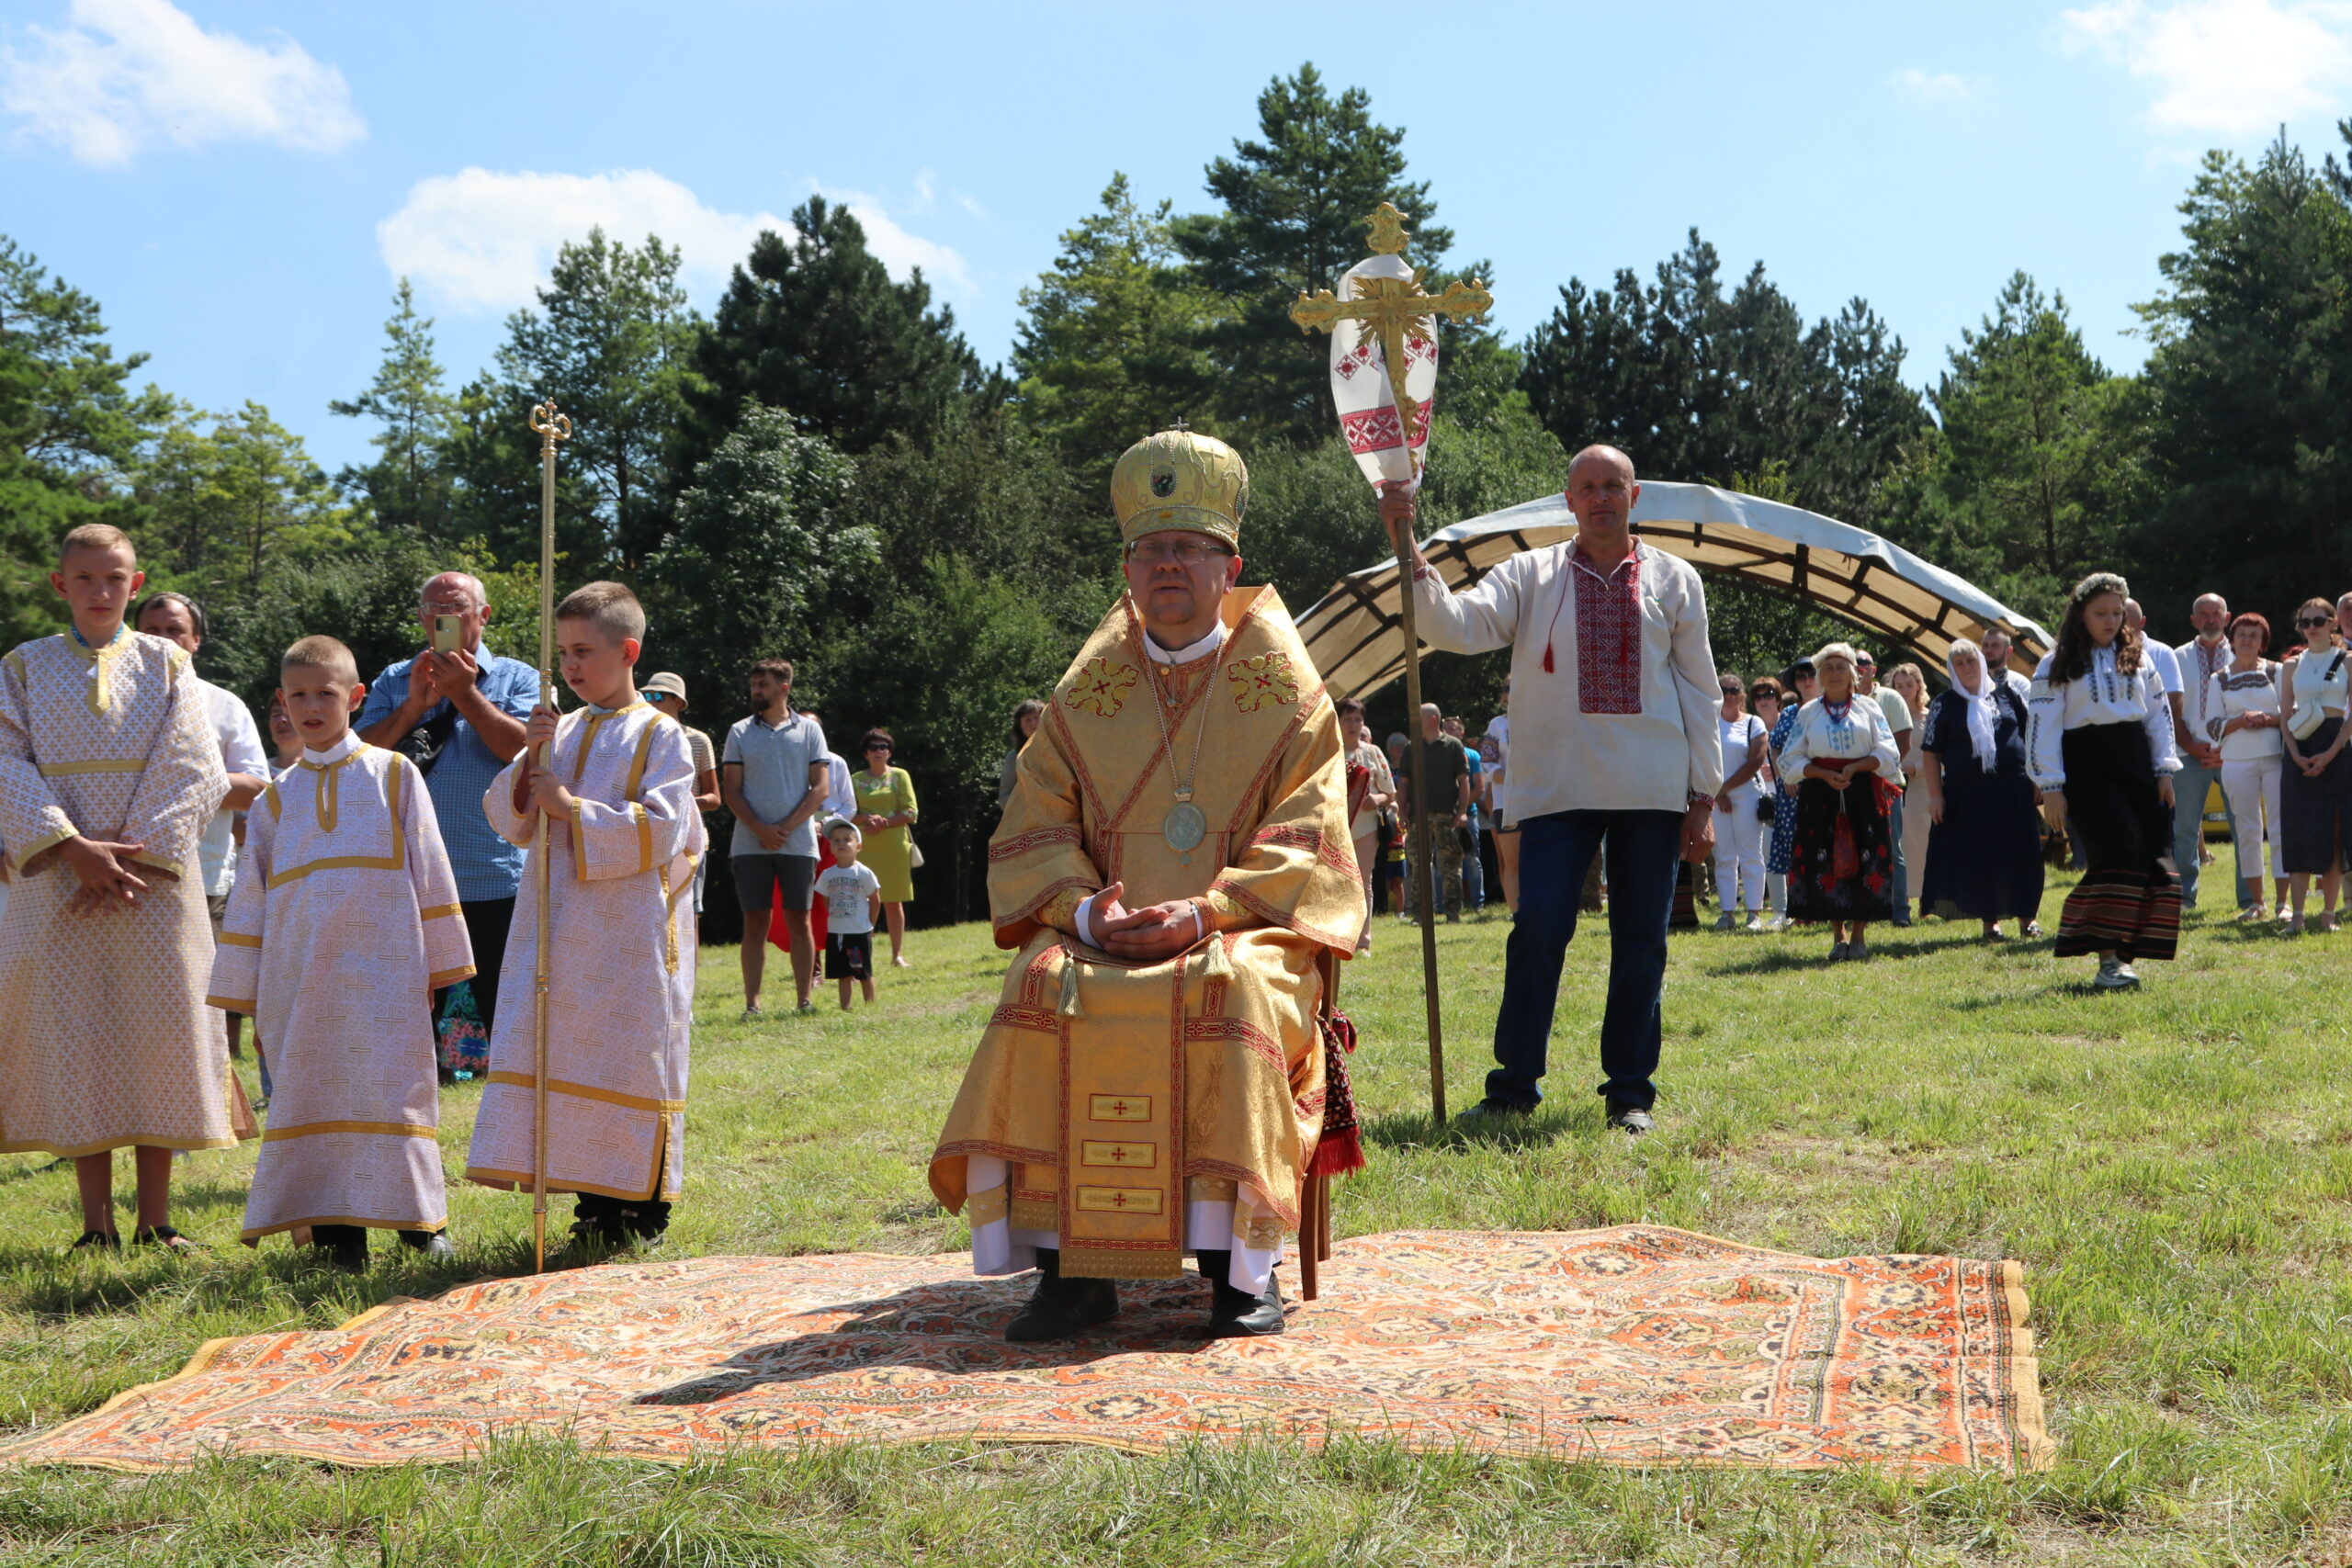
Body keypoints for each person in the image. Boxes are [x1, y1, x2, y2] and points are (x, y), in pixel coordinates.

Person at [929, 425, 1362, 1342]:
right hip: (1104, 931)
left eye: (1189, 550)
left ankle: (1240, 1269)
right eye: (1150, 550)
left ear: (1228, 564)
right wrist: (1085, 909)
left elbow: (1310, 835)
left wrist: (1204, 912)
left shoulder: (1287, 692)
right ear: (1127, 569)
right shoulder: (1087, 695)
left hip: (1247, 931)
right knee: (1041, 980)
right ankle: (1070, 1273)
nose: (1168, 565)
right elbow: (1035, 824)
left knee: (1229, 986)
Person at [1386, 444, 1721, 1134]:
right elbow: (1458, 625)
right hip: (1554, 789)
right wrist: (1408, 548)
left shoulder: (1675, 580)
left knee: (1641, 940)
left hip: (1650, 788)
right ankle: (1513, 1086)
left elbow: (1700, 690)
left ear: (1636, 497)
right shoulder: (1530, 574)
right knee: (1537, 927)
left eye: (1612, 485)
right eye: (1586, 487)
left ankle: (1630, 1093)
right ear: (1568, 500)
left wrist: (1704, 794)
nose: (1600, 497)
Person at [207, 637, 472, 1270]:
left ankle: (418, 1225)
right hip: (301, 983)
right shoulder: (273, 799)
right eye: (297, 695)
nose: (311, 706)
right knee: (315, 1090)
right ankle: (336, 1231)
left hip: (388, 972)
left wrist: (439, 965)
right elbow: (252, 900)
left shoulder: (394, 774)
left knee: (394, 1090)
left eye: (325, 692)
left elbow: (431, 869)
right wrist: (249, 987)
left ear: (354, 697)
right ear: (281, 702)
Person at [0, 524, 232, 1252]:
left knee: (159, 1040)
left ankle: (155, 1218)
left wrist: (127, 858)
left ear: (135, 584)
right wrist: (72, 848)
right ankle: (95, 1223)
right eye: (86, 578)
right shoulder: (22, 667)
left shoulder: (169, 663)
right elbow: (3, 760)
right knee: (79, 1041)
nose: (102, 591)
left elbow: (196, 764)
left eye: (116, 578)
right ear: (59, 584)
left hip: (153, 890)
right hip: (55, 886)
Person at [465, 581, 705, 1251]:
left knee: (630, 1058)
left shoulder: (664, 736)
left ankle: (640, 1210)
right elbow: (506, 815)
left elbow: (667, 827)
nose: (570, 666)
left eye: (583, 651)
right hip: (560, 929)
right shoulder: (558, 728)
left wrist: (573, 808)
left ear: (627, 651)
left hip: (630, 933)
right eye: (563, 652)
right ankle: (591, 1205)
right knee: (569, 1054)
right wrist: (531, 761)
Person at [356, 572, 536, 1045]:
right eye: (432, 610)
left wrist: (465, 695)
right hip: (409, 875)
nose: (443, 618)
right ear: (419, 618)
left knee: (503, 1002)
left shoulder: (521, 678)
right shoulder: (394, 681)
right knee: (415, 1002)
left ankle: (502, 1079)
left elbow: (528, 752)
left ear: (483, 615)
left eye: (454, 607)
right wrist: (412, 708)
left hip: (495, 870)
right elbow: (355, 757)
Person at [132, 595, 269, 1066]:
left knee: (195, 1009)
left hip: (203, 880)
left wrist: (185, 779)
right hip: (117, 878)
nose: (161, 640)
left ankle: (197, 1123)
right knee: (127, 1010)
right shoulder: (104, 709)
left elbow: (257, 790)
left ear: (195, 641)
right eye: (150, 630)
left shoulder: (223, 706)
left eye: (173, 630)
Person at [2029, 572, 2182, 989]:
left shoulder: (2138, 656)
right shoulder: (2056, 661)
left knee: (2149, 853)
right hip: (2086, 767)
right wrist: (2052, 786)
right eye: (2101, 613)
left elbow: (2158, 716)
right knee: (2118, 849)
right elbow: (2043, 725)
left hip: (2135, 763)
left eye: (2117, 612)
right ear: (2081, 614)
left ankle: (2125, 956)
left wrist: (2164, 770)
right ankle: (2108, 959)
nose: (2111, 620)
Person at [1781, 643, 1903, 960]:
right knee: (1826, 860)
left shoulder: (1868, 708)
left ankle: (1860, 936)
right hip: (1820, 795)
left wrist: (1858, 766)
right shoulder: (1809, 712)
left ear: (1852, 674)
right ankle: (1839, 935)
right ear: (1820, 676)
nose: (1834, 674)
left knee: (1865, 857)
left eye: (1840, 668)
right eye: (1828, 668)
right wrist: (1819, 773)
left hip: (1863, 790)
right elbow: (1789, 759)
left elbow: (1889, 752)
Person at [720, 659, 829, 1016]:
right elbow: (731, 790)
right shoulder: (738, 732)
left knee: (800, 919)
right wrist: (761, 829)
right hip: (749, 845)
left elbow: (821, 788)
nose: (755, 690)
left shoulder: (810, 731)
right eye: (753, 684)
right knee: (755, 922)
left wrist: (785, 828)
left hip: (797, 844)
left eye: (762, 684)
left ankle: (804, 1001)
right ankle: (752, 1004)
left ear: (784, 688)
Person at [1918, 639, 2043, 939]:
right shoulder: (1943, 704)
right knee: (1983, 859)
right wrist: (1936, 796)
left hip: (2014, 790)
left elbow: (2032, 736)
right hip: (1967, 796)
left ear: (1982, 663)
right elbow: (1931, 753)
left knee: (2023, 855)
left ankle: (2028, 919)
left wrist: (2039, 779)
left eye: (1971, 661)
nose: (1967, 668)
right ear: (1951, 669)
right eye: (1959, 663)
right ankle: (1991, 923)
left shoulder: (2009, 695)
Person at [2204, 613, 2290, 923]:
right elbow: (2212, 726)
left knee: (2280, 827)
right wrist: (2239, 721)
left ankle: (2283, 903)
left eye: (2254, 635)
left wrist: (2267, 719)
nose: (2247, 640)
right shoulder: (2219, 678)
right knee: (2247, 830)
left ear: (2262, 641)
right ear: (2232, 637)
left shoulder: (2277, 671)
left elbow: (2290, 715)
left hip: (2274, 758)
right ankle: (2257, 902)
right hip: (2237, 761)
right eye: (2242, 634)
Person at [2279, 594, 2350, 932]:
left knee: (2332, 831)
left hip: (2335, 746)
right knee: (2297, 830)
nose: (2311, 628)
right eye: (2304, 622)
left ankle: (2328, 915)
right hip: (2300, 747)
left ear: (2332, 623)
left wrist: (2331, 752)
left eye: (2318, 621)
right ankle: (2296, 916)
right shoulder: (2292, 665)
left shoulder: (2348, 661)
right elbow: (2284, 717)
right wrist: (2294, 754)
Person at [2173, 593, 2247, 913]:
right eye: (2202, 614)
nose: (2210, 620)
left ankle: (2250, 898)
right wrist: (2191, 745)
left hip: (2235, 753)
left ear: (2227, 617)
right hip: (2189, 753)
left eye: (2216, 613)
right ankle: (2184, 898)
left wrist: (2224, 747)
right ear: (2193, 620)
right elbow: (2170, 711)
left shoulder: (2244, 654)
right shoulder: (2177, 657)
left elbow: (2252, 707)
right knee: (2185, 830)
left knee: (2244, 827)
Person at [642, 671, 721, 916]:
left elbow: (714, 798)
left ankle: (692, 957)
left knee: (689, 912)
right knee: (651, 911)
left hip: (689, 839)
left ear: (678, 702)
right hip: (649, 837)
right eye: (646, 696)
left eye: (658, 696)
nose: (650, 701)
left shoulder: (698, 740)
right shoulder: (638, 739)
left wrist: (681, 802)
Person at [1854, 650, 1915, 927]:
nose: (1859, 667)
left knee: (1892, 849)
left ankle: (1900, 912)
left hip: (1887, 785)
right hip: (1853, 786)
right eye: (1853, 663)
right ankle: (1865, 909)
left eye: (1864, 663)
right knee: (1857, 847)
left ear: (1874, 670)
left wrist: (1881, 773)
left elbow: (1904, 743)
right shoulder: (1843, 701)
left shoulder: (1890, 698)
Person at [851, 728, 919, 966]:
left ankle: (896, 955)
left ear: (889, 752)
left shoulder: (900, 776)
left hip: (894, 846)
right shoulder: (856, 779)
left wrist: (886, 822)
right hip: (865, 846)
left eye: (883, 747)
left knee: (893, 901)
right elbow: (849, 812)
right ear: (865, 753)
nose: (878, 751)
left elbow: (911, 811)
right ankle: (862, 953)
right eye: (873, 747)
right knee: (863, 901)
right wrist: (867, 819)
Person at [1764, 660, 1819, 930]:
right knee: (1794, 851)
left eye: (1812, 673)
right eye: (1801, 675)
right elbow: (1775, 748)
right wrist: (1785, 775)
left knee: (1823, 847)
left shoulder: (1829, 709)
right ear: (1795, 682)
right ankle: (1800, 910)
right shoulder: (1787, 714)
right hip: (1791, 790)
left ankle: (1826, 907)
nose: (1807, 679)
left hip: (1823, 788)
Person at [1337, 697, 1396, 952]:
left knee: (1363, 880)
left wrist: (1378, 798)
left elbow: (1391, 793)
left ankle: (1363, 940)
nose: (1353, 724)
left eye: (1357, 719)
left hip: (1367, 827)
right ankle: (1338, 937)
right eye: (1348, 719)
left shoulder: (1373, 752)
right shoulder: (1328, 750)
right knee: (1337, 881)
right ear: (1338, 721)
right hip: (1336, 827)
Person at [1712, 671, 1769, 930]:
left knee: (1750, 854)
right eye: (1723, 690)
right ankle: (1727, 912)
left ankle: (1754, 913)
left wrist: (1725, 789)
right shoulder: (1710, 722)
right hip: (1716, 796)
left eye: (1733, 690)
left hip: (1746, 793)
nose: (1728, 695)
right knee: (1724, 855)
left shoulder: (1753, 723)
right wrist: (1719, 794)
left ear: (1742, 695)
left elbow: (1755, 760)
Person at [1407, 704, 1471, 921]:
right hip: (1418, 818)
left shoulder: (1453, 746)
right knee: (1418, 867)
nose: (1415, 721)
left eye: (1419, 717)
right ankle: (1420, 914)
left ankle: (1453, 913)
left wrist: (1462, 812)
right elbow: (1404, 783)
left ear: (1433, 719)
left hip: (1447, 816)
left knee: (1451, 866)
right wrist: (1402, 813)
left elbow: (1464, 781)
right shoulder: (1411, 747)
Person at [815, 819, 882, 1010]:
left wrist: (870, 924)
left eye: (847, 839)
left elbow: (875, 899)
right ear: (831, 847)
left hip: (858, 932)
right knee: (842, 972)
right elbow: (825, 897)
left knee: (862, 971)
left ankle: (870, 1005)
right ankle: (846, 1007)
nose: (841, 843)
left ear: (858, 846)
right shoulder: (828, 874)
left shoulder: (864, 873)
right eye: (836, 840)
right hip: (837, 933)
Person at [1886, 662, 1935, 906]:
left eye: (1909, 684)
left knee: (1924, 844)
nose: (1904, 689)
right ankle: (1901, 899)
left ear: (1919, 685)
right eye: (1899, 685)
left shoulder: (1930, 716)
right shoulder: (1886, 717)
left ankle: (1927, 899)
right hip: (1894, 787)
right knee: (1899, 843)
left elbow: (1941, 757)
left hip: (1923, 788)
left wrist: (1916, 768)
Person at [1747, 677, 1787, 922]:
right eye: (1758, 697)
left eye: (1769, 694)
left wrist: (1780, 767)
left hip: (1792, 794)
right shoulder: (1752, 727)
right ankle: (1780, 911)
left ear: (1778, 698)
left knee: (1794, 851)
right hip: (1765, 800)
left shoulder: (1790, 723)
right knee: (1769, 853)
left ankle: (1802, 907)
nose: (1764, 700)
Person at [1000, 700, 1045, 808]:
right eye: (1028, 720)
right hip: (1031, 820)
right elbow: (1004, 798)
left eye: (1036, 718)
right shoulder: (1014, 757)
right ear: (1020, 727)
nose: (1033, 723)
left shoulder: (1060, 750)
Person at [1982, 626, 2033, 703]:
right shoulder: (1972, 681)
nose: (1989, 650)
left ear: (2009, 651)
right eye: (1985, 645)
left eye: (1995, 645)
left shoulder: (2020, 684)